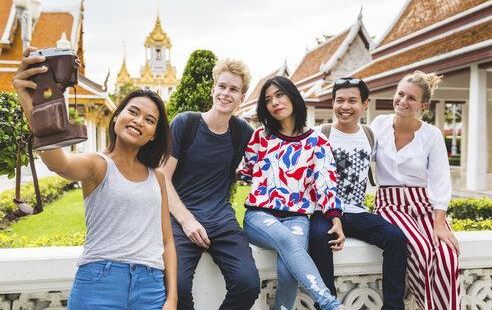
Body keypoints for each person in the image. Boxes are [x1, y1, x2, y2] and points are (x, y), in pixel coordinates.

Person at [13, 48, 177, 310]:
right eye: (132, 112)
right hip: (100, 282)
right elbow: (59, 163)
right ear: (117, 117)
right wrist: (32, 104)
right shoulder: (98, 165)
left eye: (149, 120)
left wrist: (172, 298)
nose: (138, 121)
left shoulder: (156, 177)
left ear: (154, 134)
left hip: (151, 286)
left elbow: (167, 241)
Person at [160, 59, 260, 310]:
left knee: (248, 284)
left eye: (234, 89)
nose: (226, 94)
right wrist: (187, 220)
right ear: (213, 90)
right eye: (222, 87)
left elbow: (271, 160)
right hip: (181, 219)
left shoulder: (242, 132)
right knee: (178, 287)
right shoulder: (186, 123)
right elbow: (162, 178)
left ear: (242, 98)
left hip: (221, 220)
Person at [238, 76, 343, 310]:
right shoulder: (261, 137)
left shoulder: (317, 141)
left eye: (279, 95)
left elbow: (325, 183)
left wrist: (335, 219)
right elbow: (245, 171)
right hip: (259, 215)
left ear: (292, 96)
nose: (274, 102)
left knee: (287, 271)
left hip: (297, 217)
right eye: (267, 100)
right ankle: (330, 304)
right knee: (287, 241)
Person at [309, 77, 408, 310]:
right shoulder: (318, 134)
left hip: (357, 212)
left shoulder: (370, 135)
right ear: (332, 103)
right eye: (339, 100)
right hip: (324, 211)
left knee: (396, 238)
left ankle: (393, 306)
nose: (345, 107)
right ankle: (327, 304)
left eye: (352, 101)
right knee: (318, 238)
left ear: (364, 104)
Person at [370, 70, 461, 310]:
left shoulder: (431, 135)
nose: (403, 101)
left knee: (447, 254)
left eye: (411, 98)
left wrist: (439, 224)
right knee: (421, 249)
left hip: (424, 204)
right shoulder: (378, 125)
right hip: (390, 204)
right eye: (400, 94)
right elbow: (357, 156)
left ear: (423, 105)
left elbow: (441, 180)